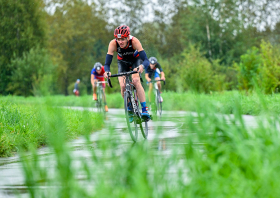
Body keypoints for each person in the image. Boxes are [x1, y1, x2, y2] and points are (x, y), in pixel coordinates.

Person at [103, 25, 151, 121]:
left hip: (135, 61)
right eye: (118, 39)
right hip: (122, 62)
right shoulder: (113, 44)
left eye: (123, 39)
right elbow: (107, 63)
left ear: (128, 38)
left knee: (136, 81)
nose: (120, 42)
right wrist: (107, 72)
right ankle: (129, 108)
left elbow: (146, 60)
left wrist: (142, 66)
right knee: (123, 86)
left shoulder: (134, 41)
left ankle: (144, 109)